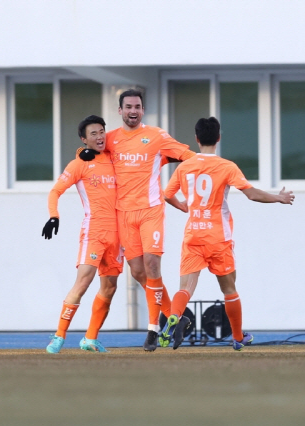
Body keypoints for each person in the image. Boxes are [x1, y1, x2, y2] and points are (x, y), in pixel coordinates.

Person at [160, 117, 295, 350]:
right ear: (219, 138)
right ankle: (237, 337)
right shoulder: (226, 166)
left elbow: (166, 194)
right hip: (218, 238)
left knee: (185, 288)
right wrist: (278, 198)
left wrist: (183, 206)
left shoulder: (184, 167)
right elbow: (252, 194)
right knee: (229, 289)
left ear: (196, 139)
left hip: (193, 235)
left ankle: (175, 316)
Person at [79, 89, 196, 351]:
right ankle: (176, 318)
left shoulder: (156, 136)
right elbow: (91, 147)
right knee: (138, 272)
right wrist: (81, 153)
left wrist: (182, 189)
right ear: (120, 111)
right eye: (129, 107)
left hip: (150, 210)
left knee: (152, 265)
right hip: (124, 214)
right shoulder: (111, 139)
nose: (133, 111)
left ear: (143, 110)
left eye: (138, 107)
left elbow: (187, 157)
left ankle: (153, 329)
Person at [43, 115, 123, 354]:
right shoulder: (79, 164)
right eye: (93, 134)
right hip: (95, 231)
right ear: (83, 139)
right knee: (83, 282)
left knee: (110, 287)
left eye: (102, 132)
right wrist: (54, 216)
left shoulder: (115, 158)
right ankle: (59, 335)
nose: (100, 137)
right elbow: (55, 191)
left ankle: (90, 338)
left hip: (118, 235)